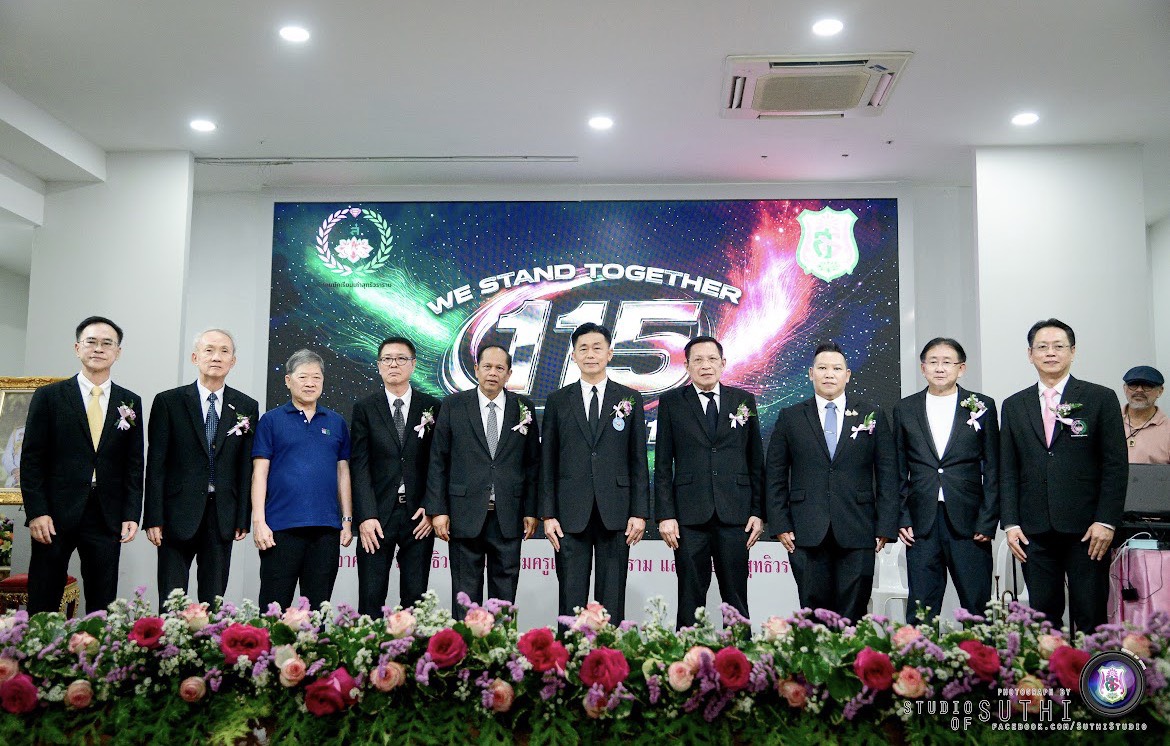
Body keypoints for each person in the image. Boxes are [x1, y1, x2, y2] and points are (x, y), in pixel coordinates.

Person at [1000, 318, 1128, 633]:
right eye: (1042, 347)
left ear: (1072, 352)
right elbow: (1008, 468)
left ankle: (1093, 667)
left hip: (1088, 530)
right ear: (1030, 354)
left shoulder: (1100, 398)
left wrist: (1106, 521)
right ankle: (1051, 667)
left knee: (1091, 615)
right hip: (1034, 530)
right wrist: (1011, 523)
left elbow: (1115, 465)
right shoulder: (1014, 405)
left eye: (1059, 346)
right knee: (1044, 620)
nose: (1050, 353)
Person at [766, 342, 898, 622]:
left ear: (847, 375)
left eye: (836, 368)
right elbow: (775, 475)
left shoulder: (871, 415)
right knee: (813, 614)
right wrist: (779, 523)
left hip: (859, 527)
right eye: (822, 368)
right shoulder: (791, 417)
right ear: (811, 373)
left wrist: (885, 524)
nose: (829, 374)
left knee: (853, 613)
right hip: (806, 530)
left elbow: (888, 473)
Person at [21, 316, 144, 614]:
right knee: (44, 598)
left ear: (117, 352)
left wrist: (131, 513)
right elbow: (32, 458)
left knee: (102, 602)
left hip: (106, 514)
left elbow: (133, 463)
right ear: (77, 348)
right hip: (54, 514)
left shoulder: (130, 401)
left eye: (107, 343)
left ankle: (94, 646)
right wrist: (37, 511)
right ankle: (41, 646)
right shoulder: (49, 396)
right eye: (91, 342)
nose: (98, 349)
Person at [539, 323, 649, 624]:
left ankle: (609, 652)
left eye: (597, 348)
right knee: (570, 598)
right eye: (583, 349)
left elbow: (638, 460)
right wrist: (548, 514)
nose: (590, 354)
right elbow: (547, 462)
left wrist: (639, 512)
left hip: (616, 512)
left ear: (609, 354)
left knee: (612, 598)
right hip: (569, 513)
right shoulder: (558, 401)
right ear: (573, 355)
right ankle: (568, 653)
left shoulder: (629, 399)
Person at [144, 329, 259, 608]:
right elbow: (156, 464)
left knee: (214, 601)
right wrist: (153, 517)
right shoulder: (168, 402)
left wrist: (242, 516)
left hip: (222, 515)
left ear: (233, 361)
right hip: (176, 514)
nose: (216, 357)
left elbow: (246, 467)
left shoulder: (246, 406)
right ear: (195, 357)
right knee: (171, 602)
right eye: (209, 350)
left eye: (224, 351)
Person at [655, 336, 764, 628]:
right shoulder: (672, 403)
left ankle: (738, 654)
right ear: (687, 366)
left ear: (723, 363)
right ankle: (687, 654)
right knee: (690, 597)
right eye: (698, 360)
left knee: (736, 598)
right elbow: (663, 464)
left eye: (712, 359)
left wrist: (758, 511)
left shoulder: (743, 401)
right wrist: (665, 515)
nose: (706, 366)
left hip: (735, 514)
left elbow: (756, 461)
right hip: (689, 516)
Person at [425, 344, 540, 619]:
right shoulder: (453, 405)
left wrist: (531, 510)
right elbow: (438, 461)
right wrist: (438, 510)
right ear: (476, 369)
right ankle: (465, 646)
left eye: (500, 368)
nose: (492, 373)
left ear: (509, 374)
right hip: (463, 514)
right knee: (465, 598)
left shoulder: (523, 407)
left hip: (508, 515)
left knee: (504, 598)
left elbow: (533, 464)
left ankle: (501, 646)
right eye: (487, 366)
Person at [893, 337, 999, 624]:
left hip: (970, 522)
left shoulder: (982, 406)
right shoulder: (905, 409)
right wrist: (902, 516)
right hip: (922, 522)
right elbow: (898, 470)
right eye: (933, 362)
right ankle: (919, 655)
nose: (940, 368)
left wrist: (987, 520)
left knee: (977, 608)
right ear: (923, 368)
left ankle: (979, 655)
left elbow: (993, 469)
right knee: (921, 610)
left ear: (961, 368)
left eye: (947, 362)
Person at [251, 349, 354, 609]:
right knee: (274, 609)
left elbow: (343, 472)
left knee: (318, 611)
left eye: (316, 377)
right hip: (280, 528)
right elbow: (260, 473)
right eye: (303, 377)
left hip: (326, 529)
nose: (310, 383)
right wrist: (259, 521)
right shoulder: (271, 421)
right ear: (288, 380)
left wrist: (347, 520)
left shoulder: (336, 422)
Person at [350, 336, 442, 617]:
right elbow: (359, 465)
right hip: (377, 515)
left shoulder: (432, 406)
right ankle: (368, 645)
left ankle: (412, 646)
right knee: (371, 596)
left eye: (401, 359)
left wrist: (431, 506)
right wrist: (366, 516)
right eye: (387, 359)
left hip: (419, 516)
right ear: (378, 366)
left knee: (416, 598)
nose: (394, 364)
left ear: (413, 365)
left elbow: (438, 462)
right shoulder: (365, 408)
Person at [1121, 365, 1169, 464]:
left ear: (1160, 391)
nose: (1139, 390)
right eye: (1133, 385)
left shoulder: (1168, 429)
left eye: (1147, 386)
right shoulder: (1108, 422)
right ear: (1124, 388)